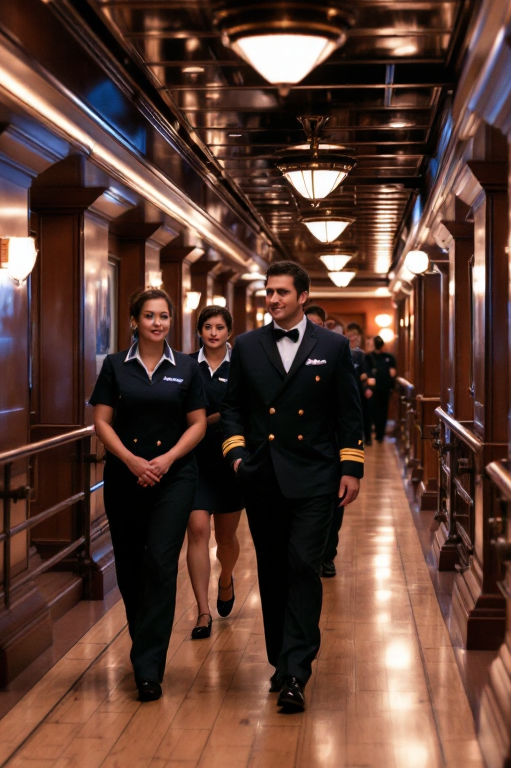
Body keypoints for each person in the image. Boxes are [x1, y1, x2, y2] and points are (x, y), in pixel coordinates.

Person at [221, 261, 364, 712]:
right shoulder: (245, 345)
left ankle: (297, 670)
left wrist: (351, 467)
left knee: (303, 564)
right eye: (269, 292)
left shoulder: (334, 346)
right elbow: (232, 410)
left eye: (282, 292)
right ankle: (280, 662)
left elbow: (348, 412)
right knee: (272, 571)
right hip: (263, 476)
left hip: (316, 476)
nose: (273, 299)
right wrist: (237, 458)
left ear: (302, 296)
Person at [89, 288, 206, 702]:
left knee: (160, 561)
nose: (158, 323)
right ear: (134, 321)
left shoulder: (187, 368)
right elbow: (101, 422)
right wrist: (132, 461)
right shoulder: (115, 366)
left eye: (164, 317)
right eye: (150, 316)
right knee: (131, 567)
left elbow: (197, 424)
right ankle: (146, 650)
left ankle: (148, 667)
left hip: (174, 478)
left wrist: (167, 460)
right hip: (125, 477)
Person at [186, 306, 244, 640]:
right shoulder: (186, 366)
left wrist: (208, 421)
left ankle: (226, 578)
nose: (213, 333)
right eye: (207, 327)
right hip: (193, 461)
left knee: (225, 538)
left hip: (229, 461)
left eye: (219, 327)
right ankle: (202, 611)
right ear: (199, 331)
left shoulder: (241, 365)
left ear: (229, 332)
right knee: (196, 530)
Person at [367, 335, 398, 442]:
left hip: (385, 388)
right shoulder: (369, 357)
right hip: (373, 389)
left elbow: (393, 373)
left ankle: (381, 433)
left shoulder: (389, 357)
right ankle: (375, 431)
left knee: (383, 411)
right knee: (374, 410)